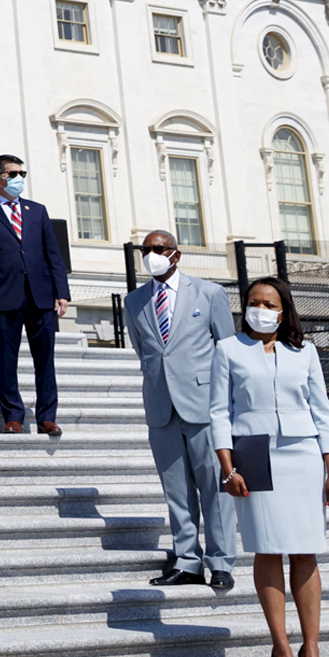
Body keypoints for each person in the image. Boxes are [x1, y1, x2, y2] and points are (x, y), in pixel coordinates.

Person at [213, 277, 329, 657]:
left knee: (306, 551)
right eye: (253, 301)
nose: (260, 308)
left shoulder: (304, 352)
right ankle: (281, 646)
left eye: (269, 302)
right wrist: (228, 468)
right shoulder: (227, 349)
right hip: (253, 454)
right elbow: (218, 411)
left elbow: (322, 412)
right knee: (267, 550)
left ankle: (312, 646)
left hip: (303, 455)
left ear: (283, 309)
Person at [128, 230, 240, 590]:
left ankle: (221, 561)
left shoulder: (208, 293)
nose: (151, 255)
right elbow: (144, 350)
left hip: (204, 405)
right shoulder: (135, 302)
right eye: (145, 250)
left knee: (215, 487)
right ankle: (187, 560)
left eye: (158, 249)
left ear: (176, 254)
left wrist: (228, 406)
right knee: (176, 490)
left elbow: (226, 350)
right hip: (161, 406)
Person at [0, 153, 70, 436]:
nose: (19, 179)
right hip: (3, 297)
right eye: (13, 174)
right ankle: (13, 414)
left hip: (41, 296)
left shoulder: (37, 211)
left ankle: (47, 416)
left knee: (45, 359)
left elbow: (53, 254)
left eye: (22, 173)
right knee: (6, 359)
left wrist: (62, 291)